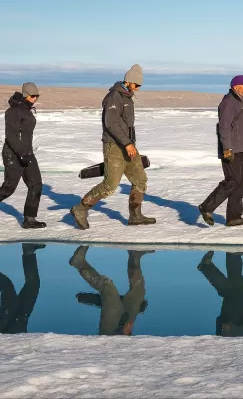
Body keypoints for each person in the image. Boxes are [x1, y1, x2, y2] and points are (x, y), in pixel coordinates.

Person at [71, 65, 155, 229]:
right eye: (136, 85)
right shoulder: (113, 97)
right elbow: (111, 124)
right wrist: (127, 143)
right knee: (110, 185)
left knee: (140, 180)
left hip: (129, 146)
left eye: (140, 86)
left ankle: (135, 216)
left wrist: (130, 144)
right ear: (129, 81)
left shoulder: (127, 97)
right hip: (115, 146)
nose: (138, 88)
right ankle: (80, 209)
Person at [0, 83, 46, 229]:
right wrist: (22, 153)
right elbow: (11, 136)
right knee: (9, 188)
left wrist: (27, 153)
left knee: (36, 185)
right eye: (32, 96)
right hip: (13, 154)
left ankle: (29, 219)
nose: (35, 99)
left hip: (27, 153)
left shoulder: (27, 110)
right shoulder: (14, 111)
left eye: (37, 96)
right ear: (25, 95)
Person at [199, 75, 243, 227]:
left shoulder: (239, 101)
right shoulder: (229, 103)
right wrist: (227, 148)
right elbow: (224, 127)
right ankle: (206, 207)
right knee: (232, 181)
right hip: (231, 151)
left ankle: (234, 217)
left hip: (240, 150)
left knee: (241, 184)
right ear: (236, 87)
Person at [70, 245, 151, 335]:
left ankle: (79, 263)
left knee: (107, 285)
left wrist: (121, 333)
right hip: (126, 324)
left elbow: (110, 347)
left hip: (110, 331)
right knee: (138, 290)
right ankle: (134, 256)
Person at [197, 250, 243, 336]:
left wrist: (224, 330)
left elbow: (223, 345)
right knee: (236, 286)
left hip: (232, 323)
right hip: (238, 320)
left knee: (235, 292)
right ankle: (232, 256)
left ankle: (207, 266)